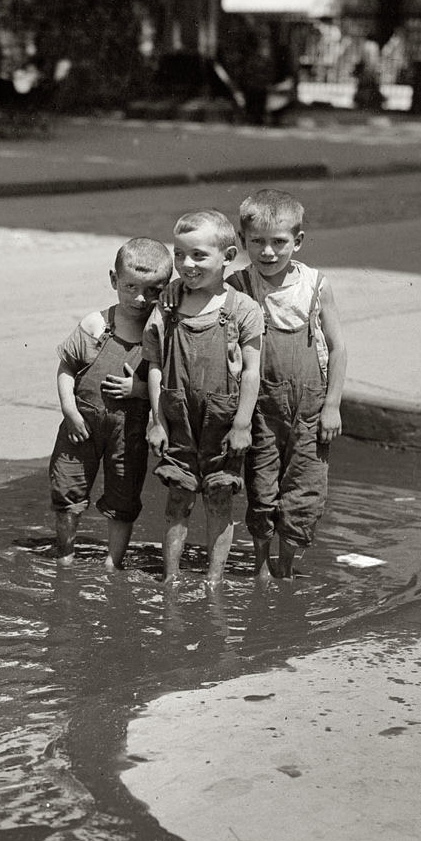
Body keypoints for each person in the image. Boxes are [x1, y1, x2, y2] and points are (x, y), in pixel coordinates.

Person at [230, 189, 347, 580]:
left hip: (311, 410)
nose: (267, 252)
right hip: (261, 408)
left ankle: (287, 565)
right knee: (262, 488)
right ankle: (261, 567)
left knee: (305, 488)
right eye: (256, 242)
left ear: (297, 242)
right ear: (242, 240)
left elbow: (338, 347)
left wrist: (332, 405)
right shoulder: (239, 287)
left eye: (278, 242)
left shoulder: (315, 285)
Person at [144, 210, 263, 587]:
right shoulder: (168, 303)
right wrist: (156, 419)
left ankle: (214, 579)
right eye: (179, 254)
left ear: (227, 257)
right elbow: (156, 366)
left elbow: (251, 372)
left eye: (198, 255)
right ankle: (171, 578)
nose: (186, 264)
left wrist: (242, 423)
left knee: (219, 498)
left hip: (223, 424)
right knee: (178, 500)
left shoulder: (243, 309)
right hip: (178, 420)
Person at [49, 238, 173, 569]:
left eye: (152, 291)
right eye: (130, 286)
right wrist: (69, 412)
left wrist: (140, 388)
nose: (140, 298)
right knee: (67, 488)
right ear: (113, 280)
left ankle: (112, 562)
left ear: (165, 289)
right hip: (81, 425)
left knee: (124, 495)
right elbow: (66, 369)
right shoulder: (95, 324)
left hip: (128, 431)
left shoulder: (161, 332)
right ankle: (66, 553)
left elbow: (169, 385)